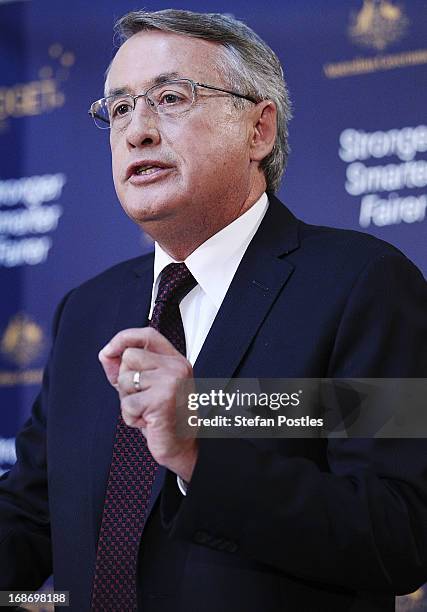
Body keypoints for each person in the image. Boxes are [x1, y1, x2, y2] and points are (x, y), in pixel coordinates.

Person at [1, 8, 427, 612]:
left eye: (170, 97)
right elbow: (33, 512)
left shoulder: (360, 284)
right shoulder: (87, 310)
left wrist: (200, 447)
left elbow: (398, 533)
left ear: (259, 130)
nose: (137, 131)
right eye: (119, 108)